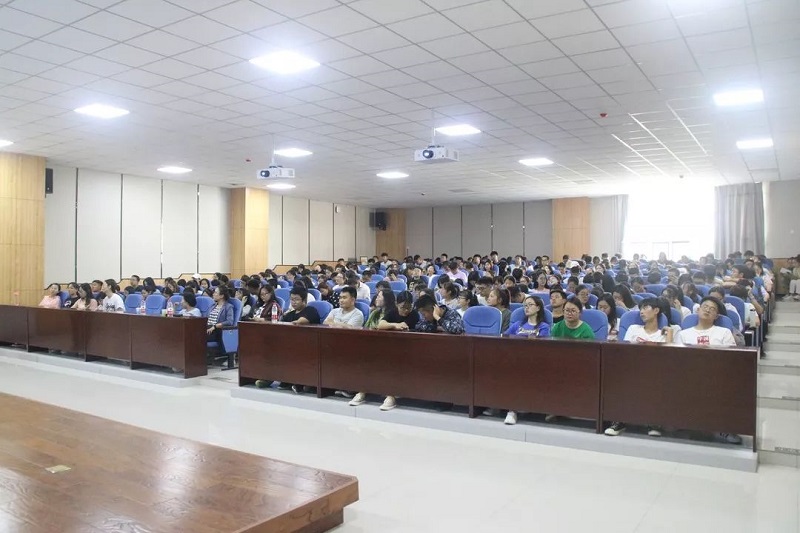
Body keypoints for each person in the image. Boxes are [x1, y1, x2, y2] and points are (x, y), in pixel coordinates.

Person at [206, 286, 235, 355]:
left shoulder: (228, 307)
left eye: (215, 292)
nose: (213, 294)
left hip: (217, 331)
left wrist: (215, 326)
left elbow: (229, 321)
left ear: (222, 296)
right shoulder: (213, 306)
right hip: (208, 328)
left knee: (197, 337)